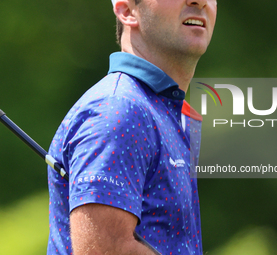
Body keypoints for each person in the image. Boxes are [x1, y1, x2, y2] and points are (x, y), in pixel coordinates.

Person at [47, 0, 217, 254]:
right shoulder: (119, 109)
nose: (199, 1)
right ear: (127, 11)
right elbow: (105, 250)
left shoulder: (159, 109)